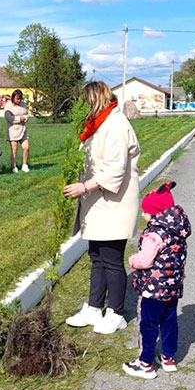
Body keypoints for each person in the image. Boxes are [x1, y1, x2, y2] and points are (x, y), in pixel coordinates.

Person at [64, 81, 141, 334]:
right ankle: (95, 308)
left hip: (114, 203)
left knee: (111, 259)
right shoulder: (98, 125)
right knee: (96, 257)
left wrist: (83, 187)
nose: (83, 108)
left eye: (85, 103)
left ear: (96, 100)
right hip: (98, 204)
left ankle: (116, 312)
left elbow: (115, 171)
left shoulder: (116, 125)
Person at [123, 182, 191, 379]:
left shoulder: (154, 234)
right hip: (173, 286)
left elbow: (145, 260)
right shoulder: (177, 231)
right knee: (169, 321)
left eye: (145, 212)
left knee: (148, 324)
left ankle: (145, 363)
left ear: (155, 213)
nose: (143, 215)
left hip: (153, 289)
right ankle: (168, 357)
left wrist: (133, 260)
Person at [4, 89, 30, 173]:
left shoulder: (23, 104)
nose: (19, 101)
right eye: (17, 99)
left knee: (26, 147)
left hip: (23, 129)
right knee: (14, 150)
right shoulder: (8, 105)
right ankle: (14, 166)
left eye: (20, 99)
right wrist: (19, 119)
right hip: (13, 130)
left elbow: (27, 113)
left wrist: (26, 118)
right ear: (13, 98)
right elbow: (8, 118)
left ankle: (24, 165)